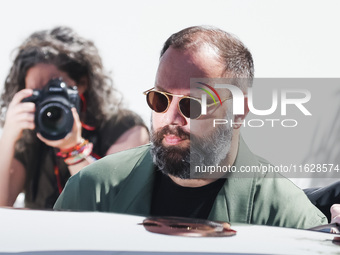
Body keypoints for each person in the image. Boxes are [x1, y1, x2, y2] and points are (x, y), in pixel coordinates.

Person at [54, 25, 328, 229]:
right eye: (160, 99)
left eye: (193, 104)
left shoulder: (289, 217)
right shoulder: (92, 192)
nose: (172, 118)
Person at [0, 26, 149, 209]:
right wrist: (8, 136)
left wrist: (73, 149)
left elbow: (108, 207)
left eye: (56, 88)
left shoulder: (125, 129)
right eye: (37, 93)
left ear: (82, 83)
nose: (48, 101)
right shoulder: (29, 137)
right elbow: (2, 204)